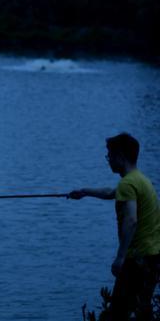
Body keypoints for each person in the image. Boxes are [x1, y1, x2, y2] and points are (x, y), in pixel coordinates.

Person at [69, 133, 160, 320]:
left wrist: (120, 257)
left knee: (117, 314)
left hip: (137, 259)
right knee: (141, 311)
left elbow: (131, 220)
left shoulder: (128, 184)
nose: (108, 160)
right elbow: (111, 192)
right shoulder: (140, 179)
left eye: (109, 155)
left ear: (121, 156)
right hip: (152, 257)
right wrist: (84, 192)